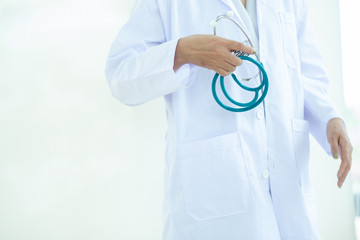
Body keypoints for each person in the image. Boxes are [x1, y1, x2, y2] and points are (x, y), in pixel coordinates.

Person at [105, 0, 353, 239]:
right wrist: (182, 52)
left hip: (288, 198)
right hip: (214, 201)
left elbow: (305, 72)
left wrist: (329, 117)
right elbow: (120, 76)